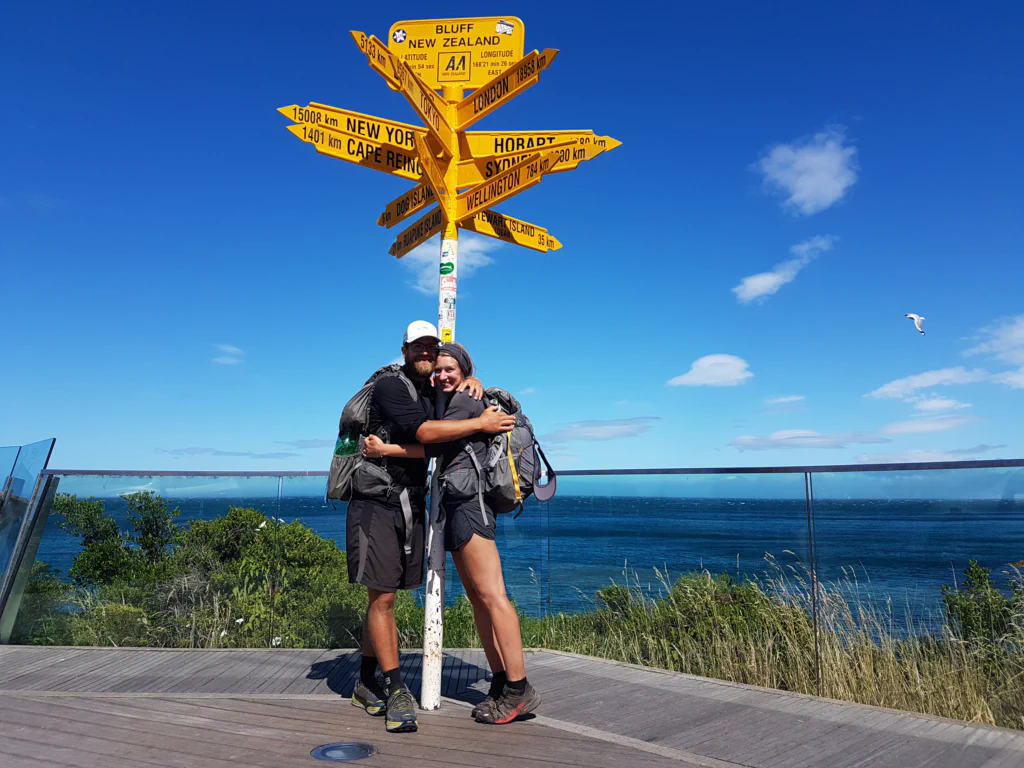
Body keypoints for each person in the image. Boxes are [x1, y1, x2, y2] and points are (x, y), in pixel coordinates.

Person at [348, 321, 514, 734]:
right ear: (404, 350)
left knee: (388, 595)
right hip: (376, 503)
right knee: (383, 597)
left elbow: (443, 418)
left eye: (431, 349)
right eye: (419, 348)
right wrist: (480, 423)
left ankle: (366, 681)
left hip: (413, 502)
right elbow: (428, 435)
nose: (427, 356)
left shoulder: (428, 390)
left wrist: (472, 378)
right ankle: (396, 688)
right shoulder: (391, 386)